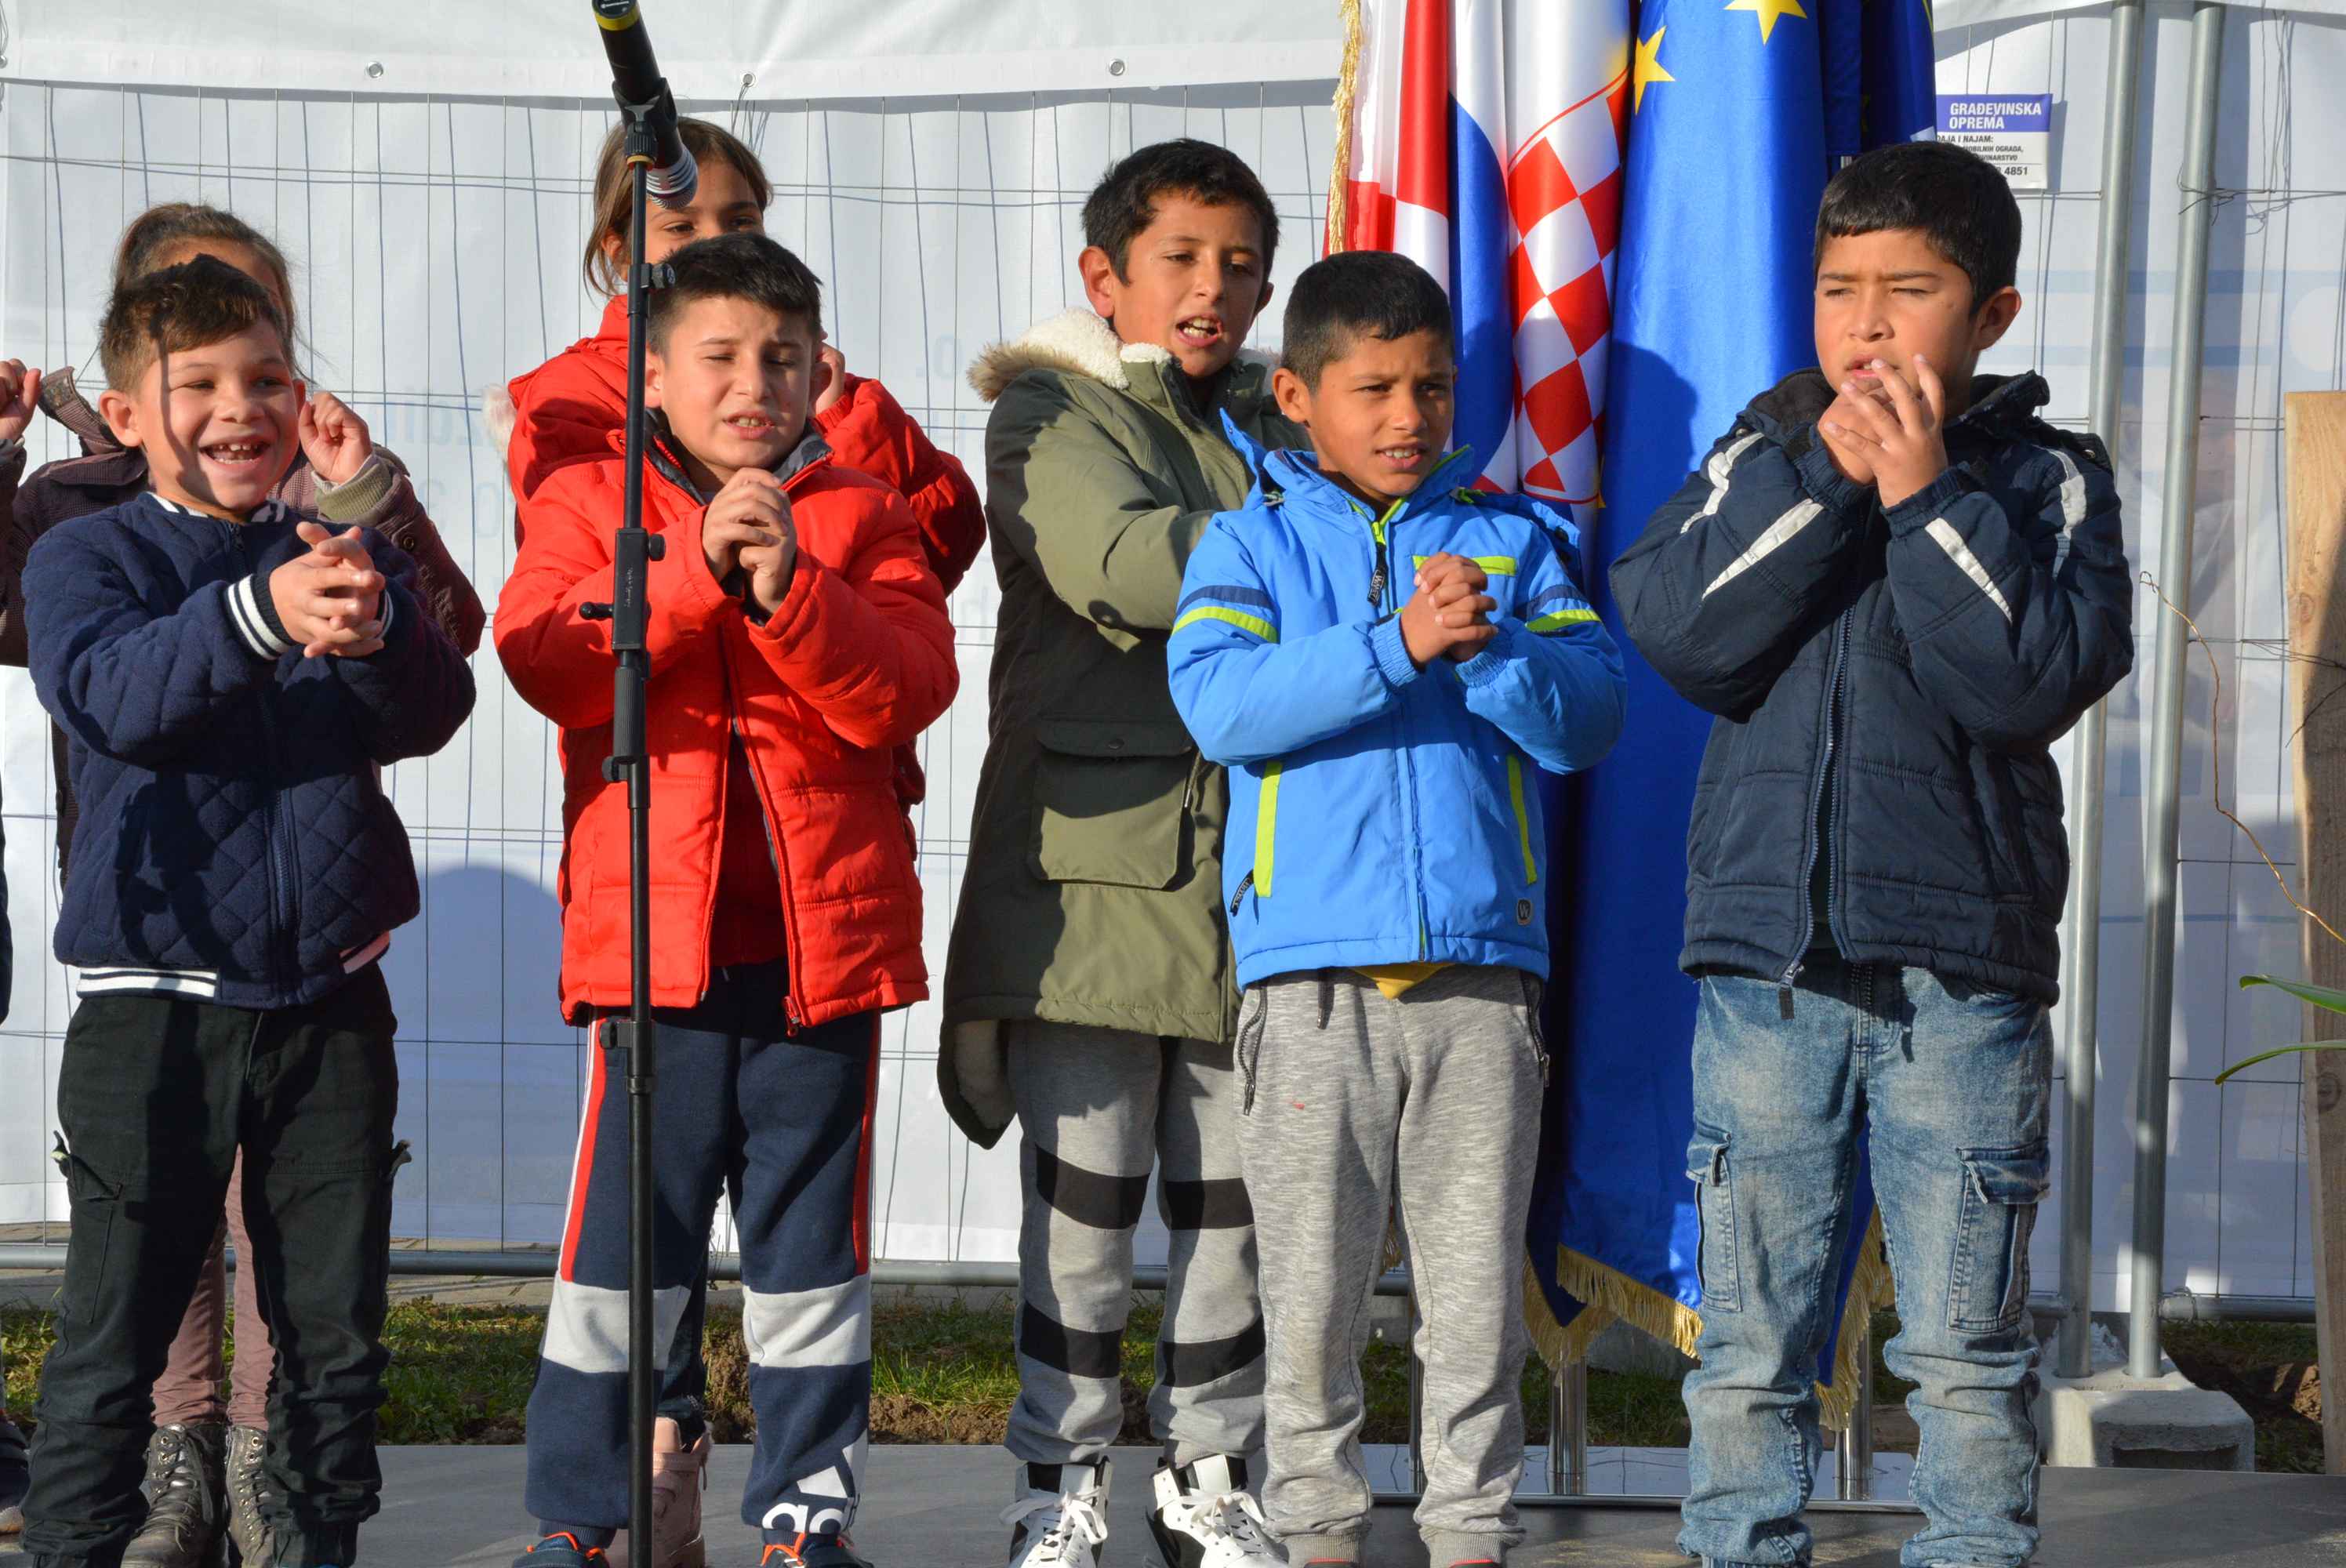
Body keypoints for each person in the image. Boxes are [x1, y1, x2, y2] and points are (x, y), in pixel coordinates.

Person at [1608, 140, 2134, 1568]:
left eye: (1913, 290)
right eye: (1843, 289)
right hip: (1766, 963)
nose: (1872, 325)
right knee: (1749, 1328)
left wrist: (1921, 494)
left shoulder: (2046, 479)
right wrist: (1826, 483)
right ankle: (1740, 1548)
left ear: (1994, 316)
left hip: (1962, 973)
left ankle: (1971, 1549)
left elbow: (2030, 678)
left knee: (1965, 1336)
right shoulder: (1765, 446)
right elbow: (1680, 631)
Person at [485, 115, 979, 1568]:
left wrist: (789, 590)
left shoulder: (862, 509)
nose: (751, 385)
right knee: (617, 1262)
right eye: (717, 356)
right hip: (654, 954)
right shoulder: (589, 496)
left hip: (819, 962)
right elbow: (543, 650)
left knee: (809, 1264)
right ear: (647, 370)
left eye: (781, 358)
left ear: (819, 369)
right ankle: (590, 1516)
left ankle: (805, 1517)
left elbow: (910, 678)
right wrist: (697, 580)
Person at [0, 201, 486, 1568]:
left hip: (331, 1001)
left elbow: (435, 706)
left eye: (266, 378)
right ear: (123, 415)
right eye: (200, 385)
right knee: (117, 1334)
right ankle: (80, 1543)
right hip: (154, 1004)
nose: (241, 408)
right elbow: (110, 692)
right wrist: (260, 617)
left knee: (334, 1337)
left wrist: (374, 598)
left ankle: (314, 1537)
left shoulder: (326, 535)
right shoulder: (83, 551)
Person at [1167, 249, 1625, 1567]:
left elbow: (1591, 717)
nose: (1408, 416)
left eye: (1431, 387)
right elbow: (1223, 707)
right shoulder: (1244, 541)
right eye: (1373, 388)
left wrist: (1498, 658)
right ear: (1299, 395)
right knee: (1310, 1290)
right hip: (1309, 986)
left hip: (1483, 980)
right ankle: (1317, 1526)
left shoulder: (1519, 536)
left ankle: (1471, 1529)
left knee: (1473, 1290)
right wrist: (1395, 647)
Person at [938, 137, 1302, 1568]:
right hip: (1085, 891)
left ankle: (1211, 1476)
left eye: (1240, 263)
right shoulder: (1049, 410)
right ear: (1106, 278)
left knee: (1236, 1210)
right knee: (1082, 1212)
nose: (1214, 288)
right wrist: (1321, 550)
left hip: (1258, 887)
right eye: (1179, 259)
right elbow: (1120, 565)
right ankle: (1062, 1475)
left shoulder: (1286, 420)